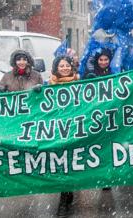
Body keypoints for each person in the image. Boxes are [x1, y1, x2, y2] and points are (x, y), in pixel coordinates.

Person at [49, 55, 79, 217]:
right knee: (62, 162)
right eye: (61, 66)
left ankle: (69, 192)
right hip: (58, 130)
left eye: (67, 65)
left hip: (75, 128)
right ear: (56, 68)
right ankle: (64, 195)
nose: (65, 68)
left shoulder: (81, 83)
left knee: (72, 161)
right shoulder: (49, 86)